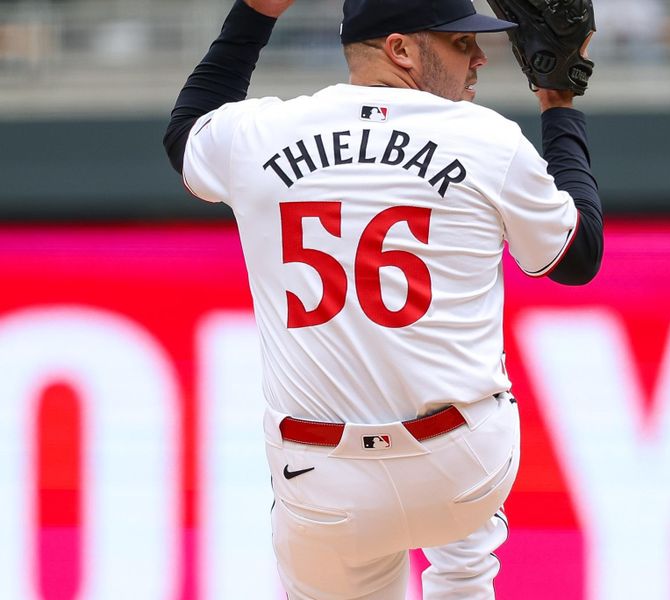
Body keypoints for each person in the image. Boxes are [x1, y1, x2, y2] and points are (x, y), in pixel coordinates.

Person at [163, 0, 603, 598]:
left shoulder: (259, 133)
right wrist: (559, 107)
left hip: (323, 479)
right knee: (467, 406)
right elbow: (577, 259)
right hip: (460, 469)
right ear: (399, 49)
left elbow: (186, 131)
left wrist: (254, 13)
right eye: (459, 42)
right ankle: (464, 576)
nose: (479, 57)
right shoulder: (488, 141)